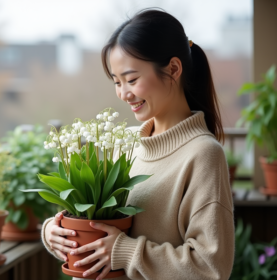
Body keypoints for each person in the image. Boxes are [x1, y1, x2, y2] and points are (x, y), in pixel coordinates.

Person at [41, 8, 234, 280]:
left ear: (174, 69)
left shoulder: (203, 154)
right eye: (117, 82)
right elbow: (92, 215)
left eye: (131, 80)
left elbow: (211, 267)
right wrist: (55, 230)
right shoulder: (124, 142)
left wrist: (126, 251)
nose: (123, 93)